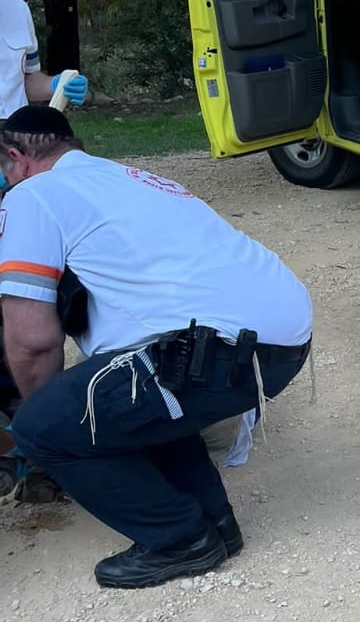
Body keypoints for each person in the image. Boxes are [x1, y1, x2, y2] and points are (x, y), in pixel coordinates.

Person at [0, 106, 313, 587]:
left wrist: (45, 424)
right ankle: (217, 525)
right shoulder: (130, 177)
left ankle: (179, 539)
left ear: (18, 158)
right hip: (280, 346)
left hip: (215, 353)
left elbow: (32, 341)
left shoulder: (31, 195)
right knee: (136, 397)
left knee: (44, 424)